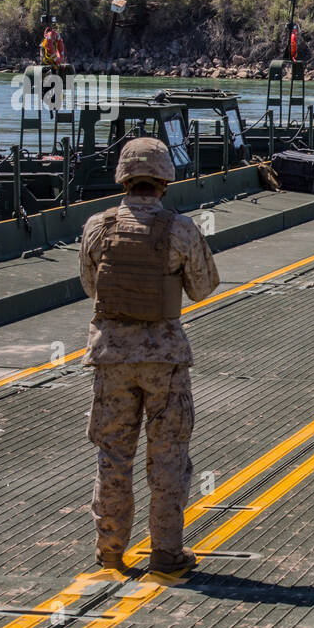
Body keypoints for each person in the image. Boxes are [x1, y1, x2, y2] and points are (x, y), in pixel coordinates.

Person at [79, 137, 220, 573]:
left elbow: (91, 286)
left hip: (110, 359)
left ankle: (110, 550)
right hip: (165, 361)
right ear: (164, 180)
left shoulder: (97, 227)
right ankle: (166, 552)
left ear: (123, 178)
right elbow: (203, 287)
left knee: (113, 456)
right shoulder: (181, 229)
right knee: (168, 457)